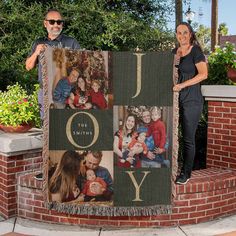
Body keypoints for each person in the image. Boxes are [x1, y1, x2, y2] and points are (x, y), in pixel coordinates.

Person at [25, 8, 80, 119]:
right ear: (45, 24)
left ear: (62, 24)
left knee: (65, 127)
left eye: (59, 22)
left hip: (67, 92)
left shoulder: (71, 42)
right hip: (45, 91)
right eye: (52, 22)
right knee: (47, 127)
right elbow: (28, 67)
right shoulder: (38, 42)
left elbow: (79, 66)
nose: (56, 24)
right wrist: (36, 52)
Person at [173, 22, 208, 185]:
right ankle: (172, 168)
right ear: (176, 35)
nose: (182, 36)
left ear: (191, 34)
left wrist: (182, 85)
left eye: (185, 32)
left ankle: (185, 174)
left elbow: (203, 74)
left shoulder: (196, 51)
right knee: (172, 136)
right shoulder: (174, 53)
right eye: (179, 33)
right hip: (175, 101)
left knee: (188, 139)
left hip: (192, 101)